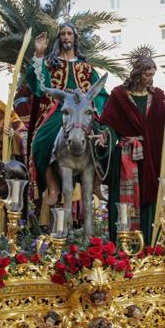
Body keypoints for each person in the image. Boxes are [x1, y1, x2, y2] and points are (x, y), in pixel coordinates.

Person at [99, 48, 165, 242]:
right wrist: (105, 136)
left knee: (148, 202)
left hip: (150, 160)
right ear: (137, 73)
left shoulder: (159, 96)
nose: (150, 78)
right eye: (146, 74)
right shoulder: (119, 95)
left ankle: (148, 244)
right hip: (125, 158)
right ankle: (123, 245)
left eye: (152, 75)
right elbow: (109, 125)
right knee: (124, 202)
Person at [26, 22, 108, 206]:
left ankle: (96, 182)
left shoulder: (86, 68)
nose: (66, 37)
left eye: (69, 33)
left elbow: (101, 93)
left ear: (75, 38)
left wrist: (95, 108)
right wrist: (39, 53)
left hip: (84, 111)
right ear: (59, 38)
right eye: (62, 34)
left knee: (103, 137)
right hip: (59, 109)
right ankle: (52, 186)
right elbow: (40, 87)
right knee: (40, 141)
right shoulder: (49, 63)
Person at [0, 98, 27, 164]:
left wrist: (13, 134)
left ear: (0, 108)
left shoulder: (13, 118)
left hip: (11, 155)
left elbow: (24, 135)